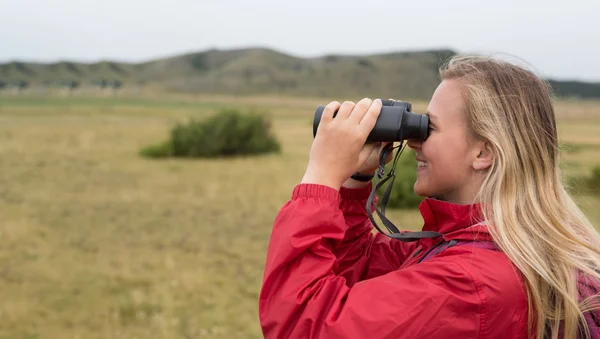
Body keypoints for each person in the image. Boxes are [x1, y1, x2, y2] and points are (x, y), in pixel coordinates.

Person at [258, 55, 600, 339]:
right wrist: (355, 181)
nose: (414, 141)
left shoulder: (471, 283)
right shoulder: (479, 243)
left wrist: (320, 177)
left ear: (483, 152)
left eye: (429, 128)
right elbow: (357, 268)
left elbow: (302, 326)